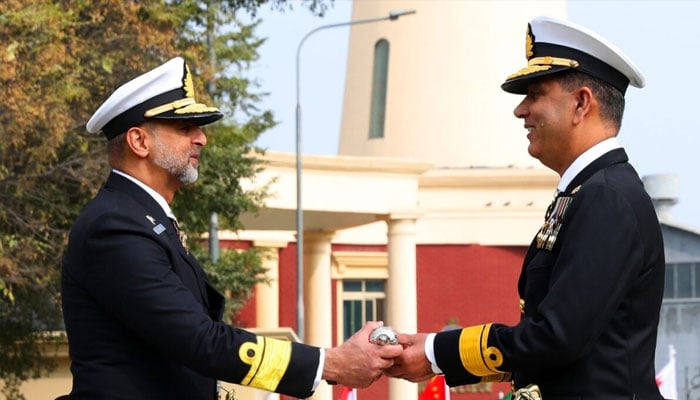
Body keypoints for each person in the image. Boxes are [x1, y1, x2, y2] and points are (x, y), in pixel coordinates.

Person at [61, 57, 402, 399]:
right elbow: (199, 340)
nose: (202, 139)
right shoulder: (115, 226)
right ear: (139, 142)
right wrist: (330, 363)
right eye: (184, 129)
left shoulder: (141, 217)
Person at [385, 16, 665, 399]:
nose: (521, 111)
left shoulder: (606, 197)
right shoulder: (588, 192)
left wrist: (437, 352)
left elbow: (557, 336)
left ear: (581, 103)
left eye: (535, 94)